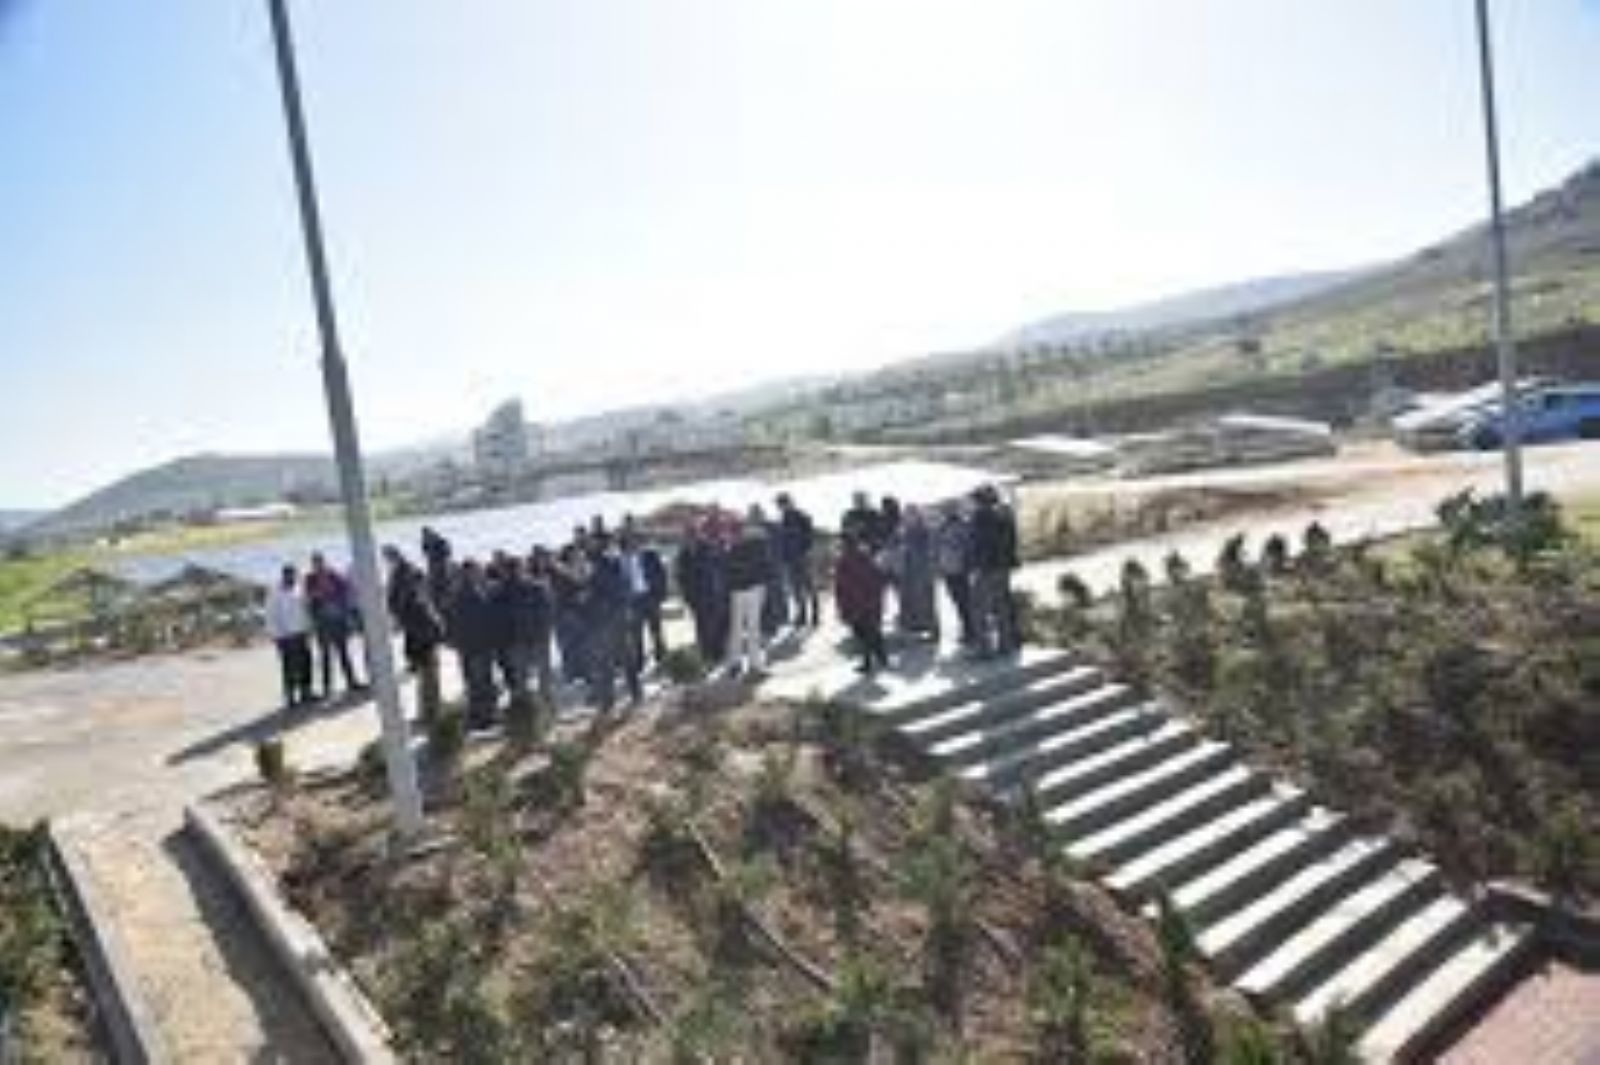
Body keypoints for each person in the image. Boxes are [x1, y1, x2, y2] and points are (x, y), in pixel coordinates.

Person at [383, 545, 445, 724]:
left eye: (388, 558)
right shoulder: (406, 576)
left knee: (428, 675)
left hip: (422, 636)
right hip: (420, 634)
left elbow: (397, 601)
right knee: (427, 675)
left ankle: (430, 712)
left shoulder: (406, 579)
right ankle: (431, 710)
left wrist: (398, 615)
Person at [585, 531, 641, 712]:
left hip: (610, 619)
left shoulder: (605, 565)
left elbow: (616, 589)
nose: (590, 545)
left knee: (612, 661)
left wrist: (590, 598)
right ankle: (627, 695)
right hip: (609, 619)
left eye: (593, 542)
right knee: (617, 660)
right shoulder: (605, 563)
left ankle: (614, 700)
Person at [447, 559, 501, 729]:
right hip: (478, 646)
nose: (480, 574)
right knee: (482, 682)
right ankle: (485, 717)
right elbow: (484, 620)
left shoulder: (456, 594)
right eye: (477, 571)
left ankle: (477, 716)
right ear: (470, 573)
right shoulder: (474, 594)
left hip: (466, 647)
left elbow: (452, 622)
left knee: (473, 682)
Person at [969, 485, 1022, 656]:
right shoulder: (1005, 514)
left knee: (978, 608)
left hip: (987, 568)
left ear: (980, 501)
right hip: (1003, 567)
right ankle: (1006, 644)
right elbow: (1012, 541)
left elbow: (981, 544)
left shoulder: (981, 516)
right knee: (1002, 606)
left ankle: (984, 647)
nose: (972, 504)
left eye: (974, 501)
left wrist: (976, 566)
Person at [304, 552, 364, 699]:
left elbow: (345, 590)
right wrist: (319, 594)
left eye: (320, 562)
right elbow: (310, 597)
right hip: (322, 624)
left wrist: (341, 606)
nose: (318, 565)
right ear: (312, 564)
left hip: (337, 621)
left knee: (344, 653)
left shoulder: (333, 575)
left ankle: (352, 682)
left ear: (324, 562)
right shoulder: (310, 579)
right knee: (325, 657)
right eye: (315, 563)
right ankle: (327, 688)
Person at [724, 514, 774, 676]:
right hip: (744, 589)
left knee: (747, 627)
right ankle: (740, 663)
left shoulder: (749, 545)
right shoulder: (734, 548)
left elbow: (763, 563)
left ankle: (747, 664)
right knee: (742, 628)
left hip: (748, 589)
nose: (736, 533)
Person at [834, 533, 889, 675]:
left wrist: (855, 604)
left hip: (859, 603)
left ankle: (869, 662)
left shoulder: (849, 560)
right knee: (870, 632)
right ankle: (880, 658)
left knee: (864, 633)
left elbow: (847, 585)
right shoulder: (861, 558)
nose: (838, 547)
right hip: (864, 602)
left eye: (840, 544)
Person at [265, 564, 315, 709]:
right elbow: (271, 615)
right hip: (285, 636)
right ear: (284, 575)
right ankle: (290, 696)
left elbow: (305, 609)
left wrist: (309, 628)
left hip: (301, 633)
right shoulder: (274, 592)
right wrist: (276, 636)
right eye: (288, 574)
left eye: (293, 574)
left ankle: (306, 692)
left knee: (306, 663)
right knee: (289, 667)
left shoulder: (299, 589)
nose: (291, 577)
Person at [621, 531, 669, 665]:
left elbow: (661, 573)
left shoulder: (649, 555)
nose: (632, 544)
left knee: (656, 629)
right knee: (636, 632)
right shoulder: (621, 560)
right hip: (634, 600)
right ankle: (639, 660)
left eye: (634, 540)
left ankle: (661, 656)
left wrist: (661, 594)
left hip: (650, 596)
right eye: (629, 541)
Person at [935, 503, 976, 646]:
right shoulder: (943, 527)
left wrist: (967, 564)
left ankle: (971, 631)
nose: (945, 513)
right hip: (949, 569)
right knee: (958, 602)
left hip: (959, 569)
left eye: (947, 510)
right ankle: (967, 630)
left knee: (964, 602)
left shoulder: (961, 526)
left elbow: (967, 546)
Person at [896, 506, 939, 640]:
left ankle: (933, 631)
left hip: (923, 571)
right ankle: (921, 629)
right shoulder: (905, 532)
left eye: (911, 515)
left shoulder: (923, 531)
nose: (908, 518)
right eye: (907, 516)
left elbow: (930, 551)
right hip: (911, 572)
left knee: (927, 603)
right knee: (915, 603)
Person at [776, 493, 820, 627]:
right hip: (790, 559)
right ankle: (802, 615)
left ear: (790, 502)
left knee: (809, 587)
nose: (782, 507)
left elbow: (810, 537)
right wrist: (783, 558)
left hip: (802, 558)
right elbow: (782, 541)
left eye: (783, 504)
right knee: (796, 589)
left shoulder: (802, 517)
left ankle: (814, 615)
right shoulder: (783, 519)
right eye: (780, 505)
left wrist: (806, 552)